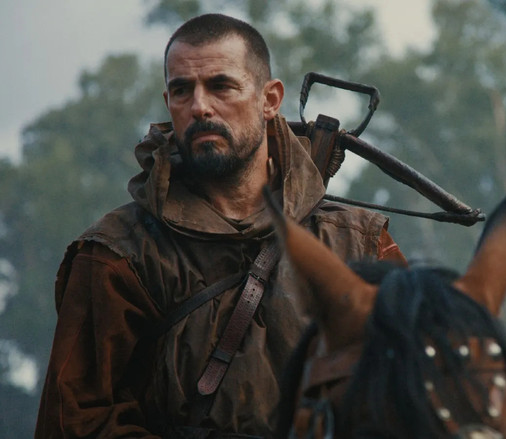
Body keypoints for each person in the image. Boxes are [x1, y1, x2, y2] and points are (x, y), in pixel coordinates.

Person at [35, 13, 405, 438]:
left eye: (221, 86)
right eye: (181, 90)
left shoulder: (360, 244)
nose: (199, 106)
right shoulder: (118, 255)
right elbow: (75, 423)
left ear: (270, 99)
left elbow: (419, 393)